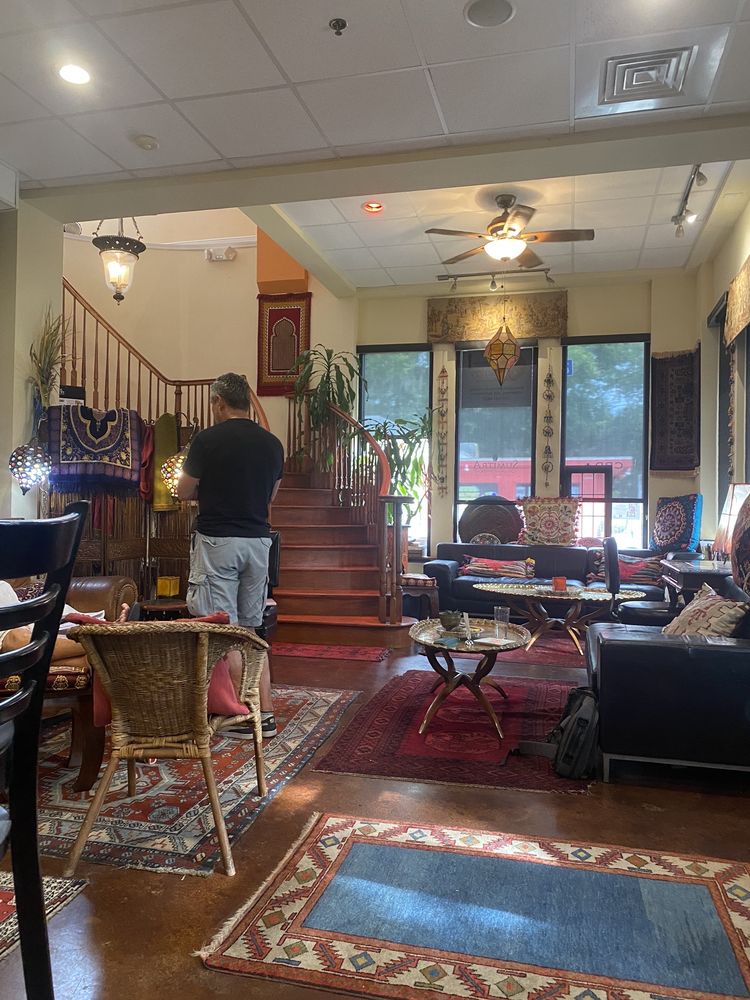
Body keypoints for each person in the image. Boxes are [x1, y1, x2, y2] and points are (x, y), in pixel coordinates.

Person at [176, 372, 284, 738]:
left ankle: (240, 717)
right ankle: (265, 715)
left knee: (226, 632)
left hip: (219, 542)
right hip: (258, 543)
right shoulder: (272, 444)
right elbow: (271, 496)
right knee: (251, 631)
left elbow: (183, 490)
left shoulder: (207, 440)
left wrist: (209, 488)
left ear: (219, 402)